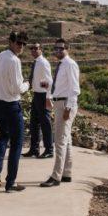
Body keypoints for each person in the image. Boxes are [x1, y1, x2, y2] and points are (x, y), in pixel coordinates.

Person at [0, 31, 30, 192]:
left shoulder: (0, 56)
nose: (21, 46)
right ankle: (11, 182)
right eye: (18, 43)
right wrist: (27, 84)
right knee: (17, 144)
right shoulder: (14, 61)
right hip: (11, 105)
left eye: (23, 44)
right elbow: (16, 89)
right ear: (11, 41)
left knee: (4, 136)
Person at [40, 38, 80, 188]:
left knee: (59, 141)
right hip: (59, 102)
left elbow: (74, 89)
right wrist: (49, 91)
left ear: (67, 48)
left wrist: (68, 109)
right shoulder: (62, 65)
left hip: (65, 105)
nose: (57, 51)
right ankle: (67, 173)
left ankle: (55, 176)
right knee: (66, 139)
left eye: (60, 48)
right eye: (55, 48)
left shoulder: (70, 65)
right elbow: (63, 85)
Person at [24, 42, 54, 158]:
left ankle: (49, 150)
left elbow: (50, 82)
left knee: (45, 123)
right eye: (31, 48)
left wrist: (48, 98)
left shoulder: (43, 62)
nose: (33, 50)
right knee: (34, 123)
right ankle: (34, 149)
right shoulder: (36, 62)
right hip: (36, 94)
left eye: (36, 48)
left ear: (41, 49)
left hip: (43, 96)